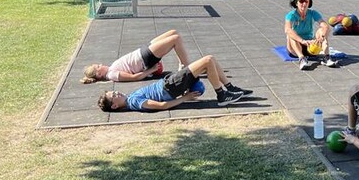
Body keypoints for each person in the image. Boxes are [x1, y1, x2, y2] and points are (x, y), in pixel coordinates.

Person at [97, 55, 250, 112]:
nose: (117, 92)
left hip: (170, 84)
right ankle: (222, 96)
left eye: (114, 91)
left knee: (210, 61)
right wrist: (185, 98)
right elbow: (162, 106)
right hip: (170, 86)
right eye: (114, 95)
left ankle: (230, 89)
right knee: (208, 60)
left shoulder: (131, 98)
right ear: (115, 106)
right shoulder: (135, 102)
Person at [82, 30, 195, 84]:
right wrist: (151, 70)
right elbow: (134, 77)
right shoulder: (112, 75)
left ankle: (183, 65)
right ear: (99, 74)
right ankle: (187, 69)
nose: (101, 64)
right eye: (98, 66)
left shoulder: (111, 69)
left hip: (142, 51)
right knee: (175, 39)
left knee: (174, 33)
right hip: (145, 58)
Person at [284, 0, 339, 70]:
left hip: (310, 47)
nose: (304, 4)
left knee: (322, 30)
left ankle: (326, 58)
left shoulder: (313, 13)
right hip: (295, 49)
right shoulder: (291, 15)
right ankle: (302, 59)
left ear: (309, 3)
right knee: (291, 34)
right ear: (296, 3)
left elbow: (325, 26)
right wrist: (302, 41)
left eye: (306, 1)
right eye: (301, 1)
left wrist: (322, 36)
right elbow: (287, 30)